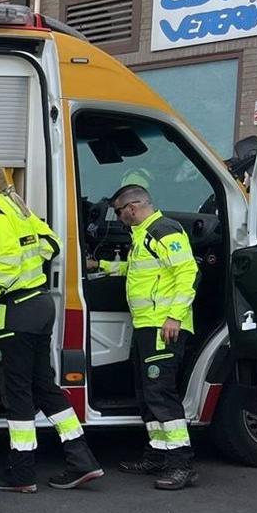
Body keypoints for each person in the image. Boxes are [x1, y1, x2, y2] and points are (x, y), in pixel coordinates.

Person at [0, 160, 103, 492]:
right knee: (45, 388)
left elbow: (8, 258)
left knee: (17, 394)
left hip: (15, 312)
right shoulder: (19, 209)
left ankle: (21, 471)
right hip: (39, 305)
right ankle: (82, 459)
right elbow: (50, 244)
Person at [98, 184, 200, 490]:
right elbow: (139, 270)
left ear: (132, 207)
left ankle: (182, 463)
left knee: (161, 395)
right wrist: (101, 266)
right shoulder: (144, 234)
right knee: (147, 394)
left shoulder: (164, 230)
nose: (117, 218)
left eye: (118, 212)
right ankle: (157, 453)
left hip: (162, 327)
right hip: (147, 326)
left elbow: (187, 272)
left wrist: (174, 316)